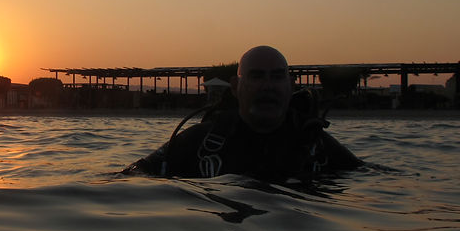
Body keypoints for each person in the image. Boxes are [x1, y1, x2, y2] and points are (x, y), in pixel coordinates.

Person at [124, 46, 362, 181]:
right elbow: (134, 174)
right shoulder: (197, 142)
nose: (267, 86)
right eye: (256, 76)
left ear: (291, 86)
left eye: (277, 77)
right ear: (236, 87)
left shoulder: (318, 147)